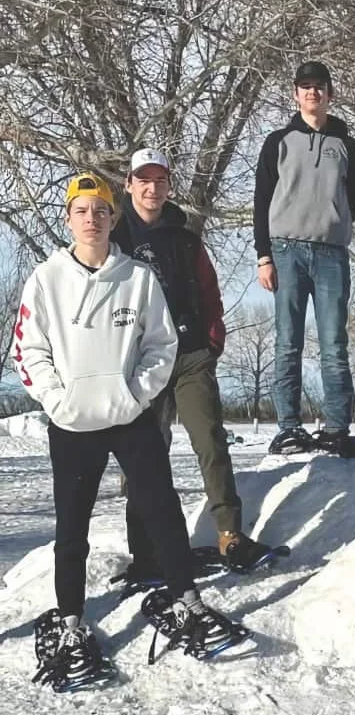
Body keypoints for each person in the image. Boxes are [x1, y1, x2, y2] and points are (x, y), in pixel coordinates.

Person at [13, 173, 248, 688]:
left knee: (160, 509)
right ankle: (72, 622)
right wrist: (58, 399)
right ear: (69, 218)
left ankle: (187, 599)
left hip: (130, 418)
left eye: (100, 210)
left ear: (113, 218)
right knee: (71, 530)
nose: (91, 219)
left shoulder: (137, 277)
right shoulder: (46, 278)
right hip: (73, 425)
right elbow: (28, 350)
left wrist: (136, 395)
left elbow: (161, 346)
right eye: (82, 210)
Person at [113, 148, 275, 574]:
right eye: (143, 180)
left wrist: (213, 339)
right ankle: (145, 549)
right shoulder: (114, 239)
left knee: (210, 441)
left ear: (168, 185)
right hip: (138, 363)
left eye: (160, 180)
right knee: (146, 451)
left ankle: (230, 535)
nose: (152, 188)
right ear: (129, 184)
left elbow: (209, 291)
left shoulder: (185, 238)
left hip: (188, 356)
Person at [254, 59, 355, 457]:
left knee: (334, 342)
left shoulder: (347, 145)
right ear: (295, 94)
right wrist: (263, 256)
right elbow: (261, 201)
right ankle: (288, 427)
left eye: (319, 86)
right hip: (285, 250)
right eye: (305, 86)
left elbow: (352, 198)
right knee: (288, 341)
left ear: (329, 94)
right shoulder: (278, 142)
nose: (312, 93)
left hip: (331, 254)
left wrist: (334, 226)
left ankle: (337, 426)